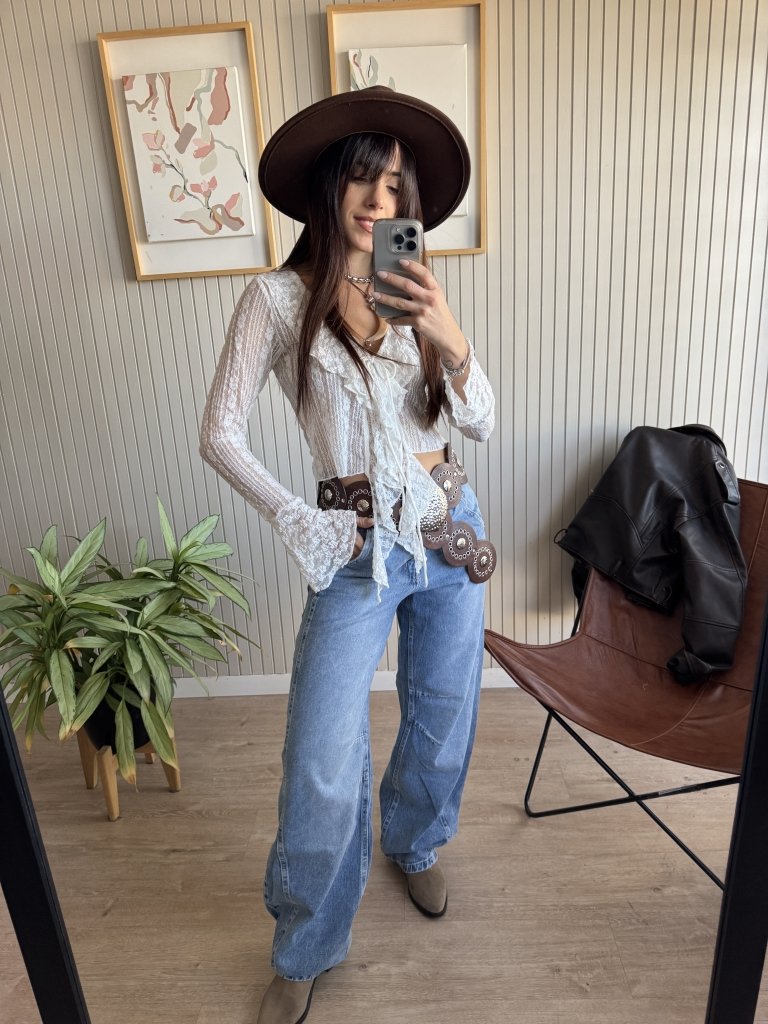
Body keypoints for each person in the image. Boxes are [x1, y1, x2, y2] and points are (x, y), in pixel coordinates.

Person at [200, 86, 496, 1024]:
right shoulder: (276, 299)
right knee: (322, 755)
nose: (379, 199)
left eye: (396, 184)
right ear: (331, 185)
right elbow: (219, 432)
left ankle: (414, 843)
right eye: (365, 178)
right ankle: (306, 943)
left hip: (447, 527)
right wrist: (301, 519)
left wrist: (448, 334)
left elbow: (481, 422)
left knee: (442, 714)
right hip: (357, 545)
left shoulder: (414, 288)